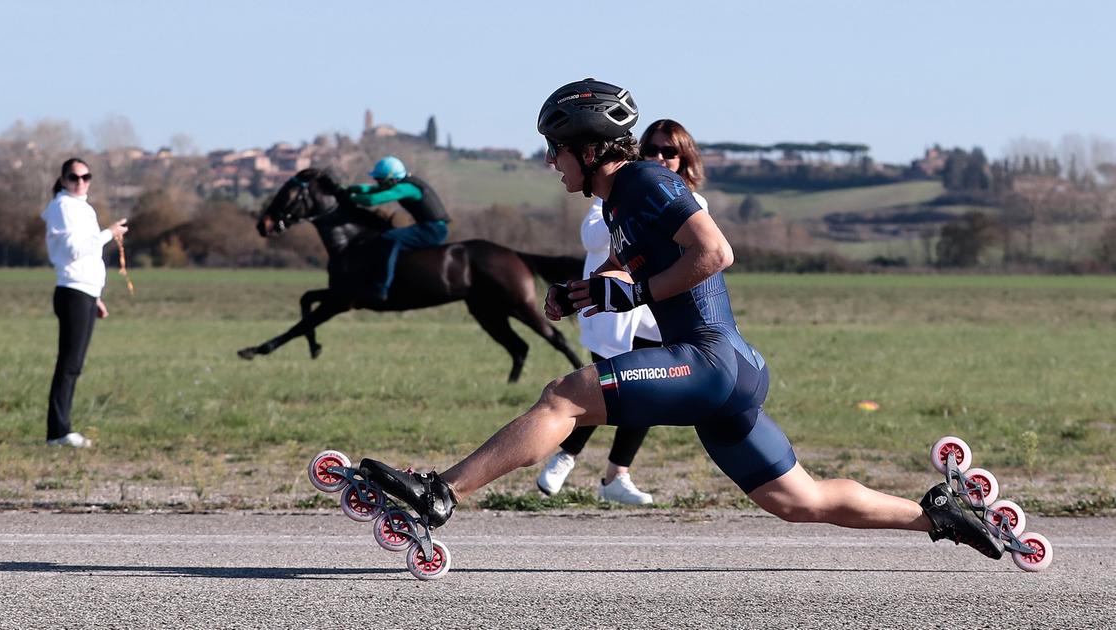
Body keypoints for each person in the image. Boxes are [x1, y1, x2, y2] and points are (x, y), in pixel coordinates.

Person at [356, 79, 1004, 564]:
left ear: (586, 147)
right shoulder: (617, 205)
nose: (550, 163)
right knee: (795, 502)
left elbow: (713, 253)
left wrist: (631, 288)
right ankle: (940, 517)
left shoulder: (644, 182)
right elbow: (635, 277)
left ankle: (440, 493)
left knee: (565, 396)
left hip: (709, 360)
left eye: (555, 150)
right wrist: (583, 293)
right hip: (727, 375)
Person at [536, 119, 709, 505]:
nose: (660, 159)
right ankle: (566, 454)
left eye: (670, 152)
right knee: (606, 388)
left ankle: (617, 474)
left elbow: (711, 254)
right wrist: (625, 206)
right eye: (652, 151)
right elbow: (595, 240)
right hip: (613, 310)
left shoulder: (693, 204)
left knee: (646, 394)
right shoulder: (608, 196)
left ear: (685, 159)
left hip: (655, 311)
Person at [40, 158, 128, 448]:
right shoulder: (64, 207)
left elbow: (88, 257)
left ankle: (61, 429)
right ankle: (58, 431)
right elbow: (75, 250)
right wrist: (109, 234)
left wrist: (96, 296)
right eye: (74, 177)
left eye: (85, 177)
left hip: (85, 292)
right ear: (63, 179)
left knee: (74, 363)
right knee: (69, 363)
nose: (80, 182)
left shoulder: (81, 207)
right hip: (72, 291)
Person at [344, 156, 451, 301]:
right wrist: (349, 189)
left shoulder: (406, 188)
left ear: (391, 179)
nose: (377, 182)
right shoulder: (401, 182)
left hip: (432, 230)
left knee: (389, 238)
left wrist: (350, 198)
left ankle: (381, 288)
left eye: (380, 179)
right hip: (429, 227)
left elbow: (372, 199)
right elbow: (372, 189)